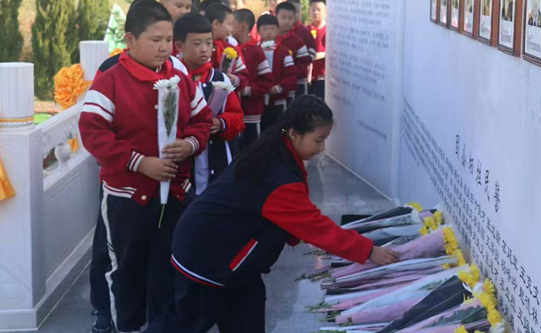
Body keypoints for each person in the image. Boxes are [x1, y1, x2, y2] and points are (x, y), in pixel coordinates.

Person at [146, 96, 399, 333]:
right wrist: (368, 251)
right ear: (294, 134)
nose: (322, 148)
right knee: (184, 324)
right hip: (209, 258)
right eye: (318, 140)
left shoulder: (275, 148)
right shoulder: (277, 177)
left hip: (231, 259)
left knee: (247, 316)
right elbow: (316, 227)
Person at [79, 0, 213, 333]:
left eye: (168, 40)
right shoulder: (111, 80)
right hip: (128, 197)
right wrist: (140, 163)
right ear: (130, 40)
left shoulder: (179, 77)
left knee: (169, 270)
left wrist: (190, 144)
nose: (164, 48)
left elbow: (202, 119)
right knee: (125, 272)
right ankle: (126, 327)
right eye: (155, 40)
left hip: (176, 194)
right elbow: (93, 134)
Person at [174, 14, 245, 194]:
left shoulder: (220, 79)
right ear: (179, 46)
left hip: (217, 160)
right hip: (185, 163)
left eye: (208, 43)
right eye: (197, 44)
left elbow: (237, 117)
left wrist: (221, 123)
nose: (204, 49)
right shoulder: (173, 80)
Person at [232, 9, 273, 145]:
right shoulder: (229, 48)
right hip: (233, 110)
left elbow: (267, 81)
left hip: (251, 111)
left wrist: (249, 90)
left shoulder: (255, 50)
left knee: (252, 145)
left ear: (243, 26)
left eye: (232, 24)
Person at [257, 14, 297, 130]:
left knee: (279, 129)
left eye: (272, 29)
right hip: (258, 101)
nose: (269, 32)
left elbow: (291, 76)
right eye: (265, 29)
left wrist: (278, 88)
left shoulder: (283, 51)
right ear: (258, 31)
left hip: (278, 101)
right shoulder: (254, 50)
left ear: (278, 30)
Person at [204, 3, 249, 91]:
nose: (231, 29)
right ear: (216, 24)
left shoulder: (230, 49)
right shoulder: (201, 47)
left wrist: (235, 80)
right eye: (229, 24)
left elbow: (244, 77)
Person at [276, 1, 311, 98]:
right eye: (283, 18)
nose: (287, 21)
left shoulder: (297, 42)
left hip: (295, 86)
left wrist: (289, 74)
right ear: (276, 17)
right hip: (275, 86)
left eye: (290, 18)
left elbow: (303, 64)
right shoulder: (271, 40)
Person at [289, 0, 317, 93]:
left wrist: (300, 66)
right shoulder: (279, 31)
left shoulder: (305, 32)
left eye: (298, 11)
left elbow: (312, 52)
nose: (296, 14)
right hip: (281, 80)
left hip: (300, 79)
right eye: (293, 11)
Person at [307, 0, 327, 100]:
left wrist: (323, 54)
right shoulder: (306, 30)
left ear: (325, 12)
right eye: (313, 9)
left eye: (319, 10)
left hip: (322, 78)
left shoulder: (329, 30)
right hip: (308, 78)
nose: (316, 13)